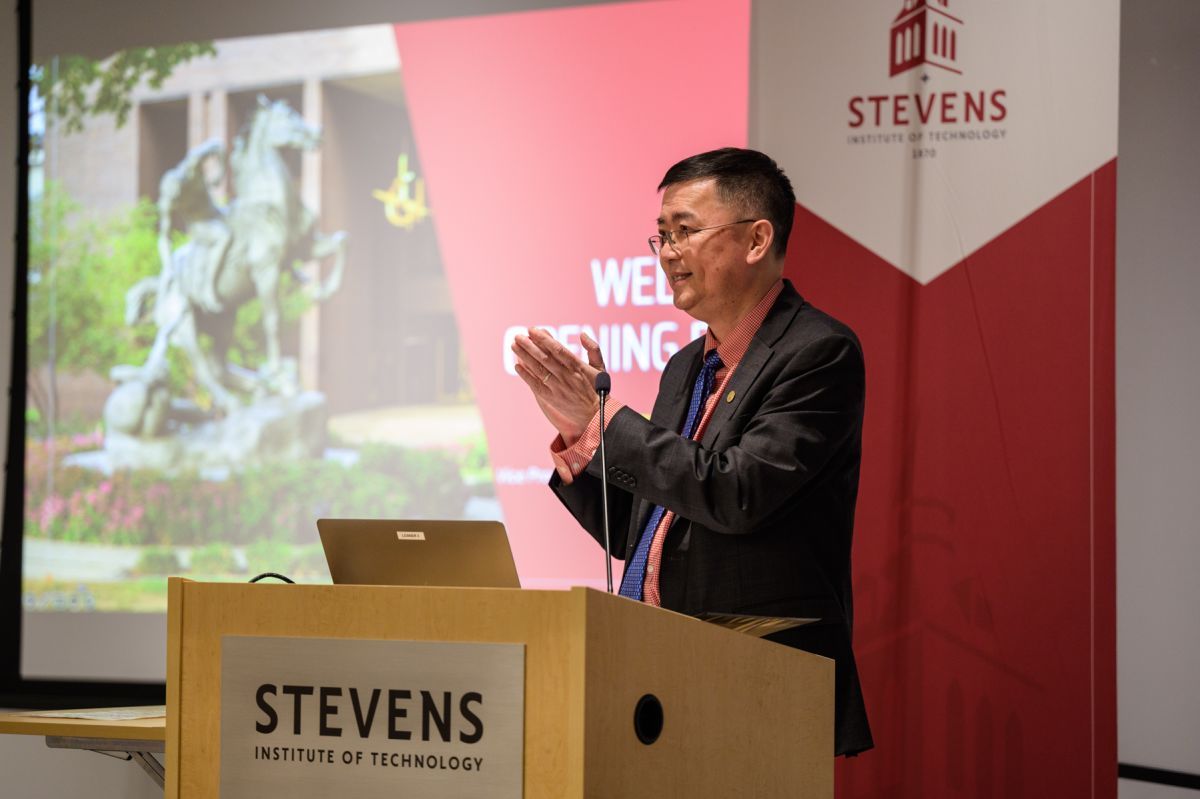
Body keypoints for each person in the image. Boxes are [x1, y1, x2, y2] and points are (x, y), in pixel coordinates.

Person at [511, 147, 873, 756]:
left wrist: (608, 425)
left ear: (757, 239)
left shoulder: (819, 352)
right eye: (661, 236)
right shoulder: (685, 366)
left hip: (760, 676)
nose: (668, 253)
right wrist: (582, 437)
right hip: (659, 677)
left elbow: (736, 494)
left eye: (684, 231)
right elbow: (641, 528)